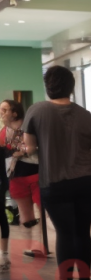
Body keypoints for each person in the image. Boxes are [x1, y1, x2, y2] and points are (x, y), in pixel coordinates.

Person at [22, 65, 91, 280]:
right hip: (88, 182)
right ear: (71, 87)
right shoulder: (85, 114)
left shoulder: (36, 111)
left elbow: (29, 148)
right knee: (82, 233)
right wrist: (84, 156)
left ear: (48, 86)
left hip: (55, 181)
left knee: (65, 233)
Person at [1, 99, 43, 257]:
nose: (1, 113)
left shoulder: (28, 127)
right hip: (16, 175)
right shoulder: (4, 131)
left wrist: (22, 151)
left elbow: (34, 147)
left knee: (42, 210)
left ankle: (41, 244)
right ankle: (29, 247)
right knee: (25, 214)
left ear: (15, 113)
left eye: (4, 110)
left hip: (36, 172)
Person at [0, 145, 9, 272]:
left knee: (2, 219)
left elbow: (4, 175)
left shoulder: (2, 151)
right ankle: (4, 256)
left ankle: (4, 255)